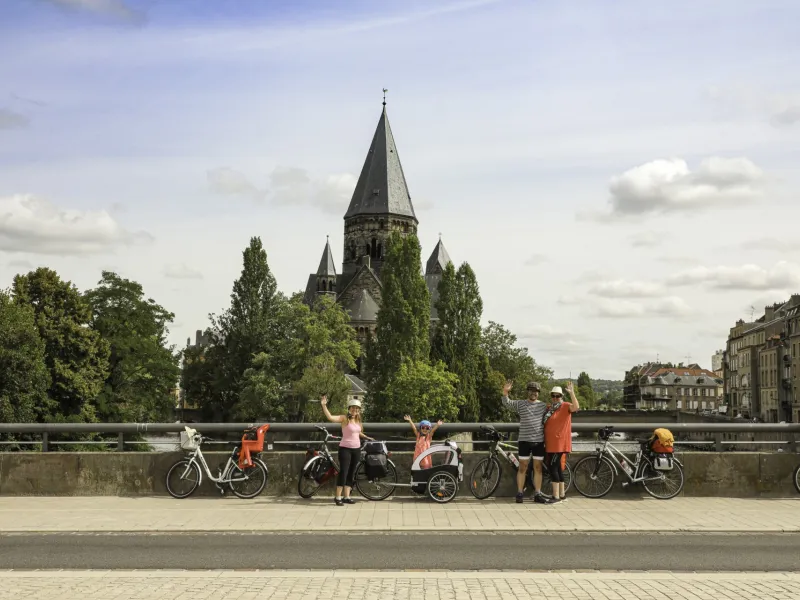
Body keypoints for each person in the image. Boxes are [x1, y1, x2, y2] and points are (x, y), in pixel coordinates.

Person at [502, 381, 552, 504]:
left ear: (538, 393)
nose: (533, 393)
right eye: (531, 390)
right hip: (524, 440)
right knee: (522, 467)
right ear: (527, 392)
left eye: (535, 391)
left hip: (538, 441)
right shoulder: (521, 404)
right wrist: (505, 391)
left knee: (538, 468)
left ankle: (538, 494)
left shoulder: (543, 406)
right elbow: (507, 403)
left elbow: (556, 412)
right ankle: (519, 493)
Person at [320, 394, 374, 506]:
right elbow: (330, 417)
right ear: (349, 409)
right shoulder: (344, 419)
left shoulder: (358, 420)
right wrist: (324, 405)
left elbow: (358, 432)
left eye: (357, 409)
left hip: (356, 449)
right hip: (345, 449)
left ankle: (347, 496)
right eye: (353, 408)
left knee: (351, 472)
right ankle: (338, 497)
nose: (355, 410)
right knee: (343, 472)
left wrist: (366, 437)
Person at [543, 382, 580, 502]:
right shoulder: (549, 408)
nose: (555, 398)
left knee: (552, 467)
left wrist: (572, 392)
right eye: (553, 396)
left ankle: (556, 496)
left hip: (559, 444)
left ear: (561, 396)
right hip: (550, 443)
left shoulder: (565, 406)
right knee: (558, 468)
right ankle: (562, 494)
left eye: (557, 396)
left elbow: (576, 407)